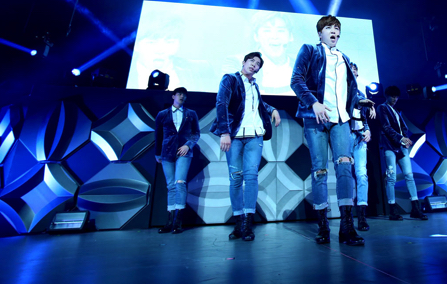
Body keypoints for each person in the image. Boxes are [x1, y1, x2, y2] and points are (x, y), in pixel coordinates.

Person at [290, 15, 374, 246]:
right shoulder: (310, 50)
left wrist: (360, 101)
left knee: (345, 167)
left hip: (341, 120)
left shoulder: (344, 58)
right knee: (319, 170)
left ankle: (347, 226)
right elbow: (296, 80)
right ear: (320, 33)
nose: (334, 31)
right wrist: (313, 103)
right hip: (316, 118)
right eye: (329, 28)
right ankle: (323, 226)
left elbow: (349, 90)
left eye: (337, 28)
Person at [211, 52, 281, 241]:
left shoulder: (254, 85)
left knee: (251, 177)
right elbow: (221, 104)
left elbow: (258, 104)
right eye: (251, 61)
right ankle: (238, 222)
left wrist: (273, 109)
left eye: (257, 64)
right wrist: (224, 132)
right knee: (235, 178)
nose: (254, 65)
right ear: (243, 62)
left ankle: (247, 224)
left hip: (254, 137)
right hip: (234, 136)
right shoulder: (230, 79)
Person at [155, 87, 201, 234]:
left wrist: (188, 145)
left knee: (180, 183)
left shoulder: (191, 114)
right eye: (179, 94)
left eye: (184, 95)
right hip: (167, 152)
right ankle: (169, 222)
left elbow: (196, 133)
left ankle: (178, 222)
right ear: (173, 96)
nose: (182, 97)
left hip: (184, 152)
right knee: (171, 186)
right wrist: (157, 153)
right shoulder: (163, 114)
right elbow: (158, 135)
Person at [377, 86, 427, 221]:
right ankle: (392, 210)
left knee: (409, 176)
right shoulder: (382, 108)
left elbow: (403, 127)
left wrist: (405, 139)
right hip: (389, 146)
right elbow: (386, 127)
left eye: (396, 97)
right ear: (387, 96)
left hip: (401, 147)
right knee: (391, 178)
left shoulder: (396, 111)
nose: (395, 99)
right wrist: (401, 138)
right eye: (392, 96)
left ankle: (415, 208)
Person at [349, 62, 376, 231]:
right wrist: (368, 103)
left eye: (356, 73)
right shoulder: (341, 91)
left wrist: (367, 130)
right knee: (346, 175)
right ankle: (346, 216)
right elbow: (354, 102)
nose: (355, 75)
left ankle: (362, 216)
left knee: (362, 174)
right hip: (345, 136)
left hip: (359, 137)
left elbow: (363, 117)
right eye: (352, 72)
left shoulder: (361, 93)